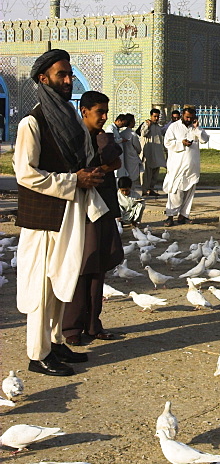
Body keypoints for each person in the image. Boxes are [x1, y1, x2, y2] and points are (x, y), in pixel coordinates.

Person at [13, 49, 108, 376]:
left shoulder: (69, 119)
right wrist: (73, 180)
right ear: (43, 79)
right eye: (61, 75)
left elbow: (77, 163)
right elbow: (26, 174)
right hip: (43, 219)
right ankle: (37, 354)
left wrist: (89, 176)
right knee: (40, 286)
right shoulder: (32, 123)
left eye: (69, 75)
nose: (68, 81)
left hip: (68, 216)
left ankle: (55, 344)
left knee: (60, 283)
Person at [61, 91, 125, 346]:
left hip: (103, 209)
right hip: (80, 209)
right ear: (84, 110)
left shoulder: (102, 137)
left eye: (106, 112)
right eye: (100, 112)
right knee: (81, 265)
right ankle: (71, 327)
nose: (104, 117)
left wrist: (103, 146)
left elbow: (115, 160)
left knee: (98, 267)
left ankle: (93, 323)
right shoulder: (72, 137)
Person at [162, 105, 209, 224]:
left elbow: (204, 139)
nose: (188, 119)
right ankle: (170, 215)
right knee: (175, 192)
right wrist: (181, 143)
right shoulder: (174, 127)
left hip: (192, 167)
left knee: (189, 192)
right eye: (187, 117)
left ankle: (183, 216)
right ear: (183, 115)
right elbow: (167, 143)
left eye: (191, 117)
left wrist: (197, 128)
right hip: (177, 166)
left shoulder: (195, 127)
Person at [139, 108, 166, 196]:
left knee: (155, 173)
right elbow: (143, 133)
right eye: (155, 116)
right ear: (151, 116)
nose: (156, 118)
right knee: (147, 173)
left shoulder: (158, 126)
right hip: (148, 153)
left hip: (157, 153)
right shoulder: (146, 124)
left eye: (158, 116)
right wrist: (148, 125)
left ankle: (151, 189)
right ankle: (145, 190)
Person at [119, 113, 142, 195]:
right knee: (132, 180)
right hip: (132, 159)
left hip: (123, 159)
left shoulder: (121, 134)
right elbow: (138, 148)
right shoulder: (133, 135)